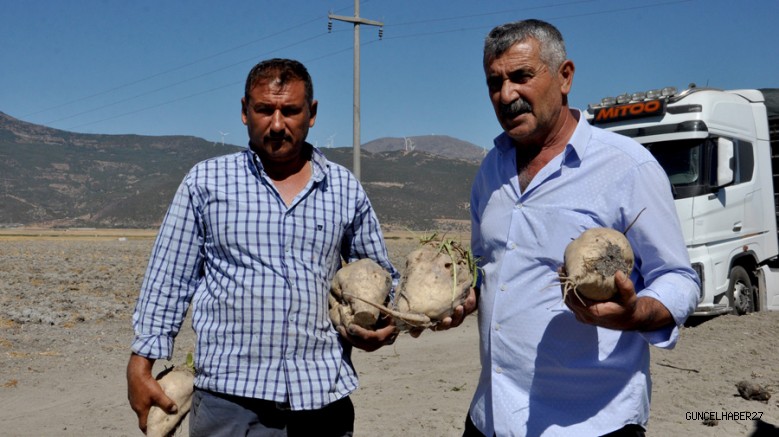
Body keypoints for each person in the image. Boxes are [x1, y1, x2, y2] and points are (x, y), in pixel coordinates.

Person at [126, 58, 399, 436]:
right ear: (243, 111)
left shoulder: (343, 187)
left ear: (312, 113)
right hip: (230, 402)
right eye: (263, 110)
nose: (276, 124)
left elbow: (379, 273)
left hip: (321, 399)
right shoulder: (206, 182)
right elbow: (168, 278)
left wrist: (386, 323)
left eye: (289, 111)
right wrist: (141, 363)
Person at [453, 19, 701, 436]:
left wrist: (636, 312)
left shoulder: (627, 166)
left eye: (521, 76)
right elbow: (486, 267)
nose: (506, 95)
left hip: (590, 423)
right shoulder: (489, 171)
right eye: (494, 82)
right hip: (491, 417)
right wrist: (458, 297)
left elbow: (678, 277)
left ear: (564, 76)